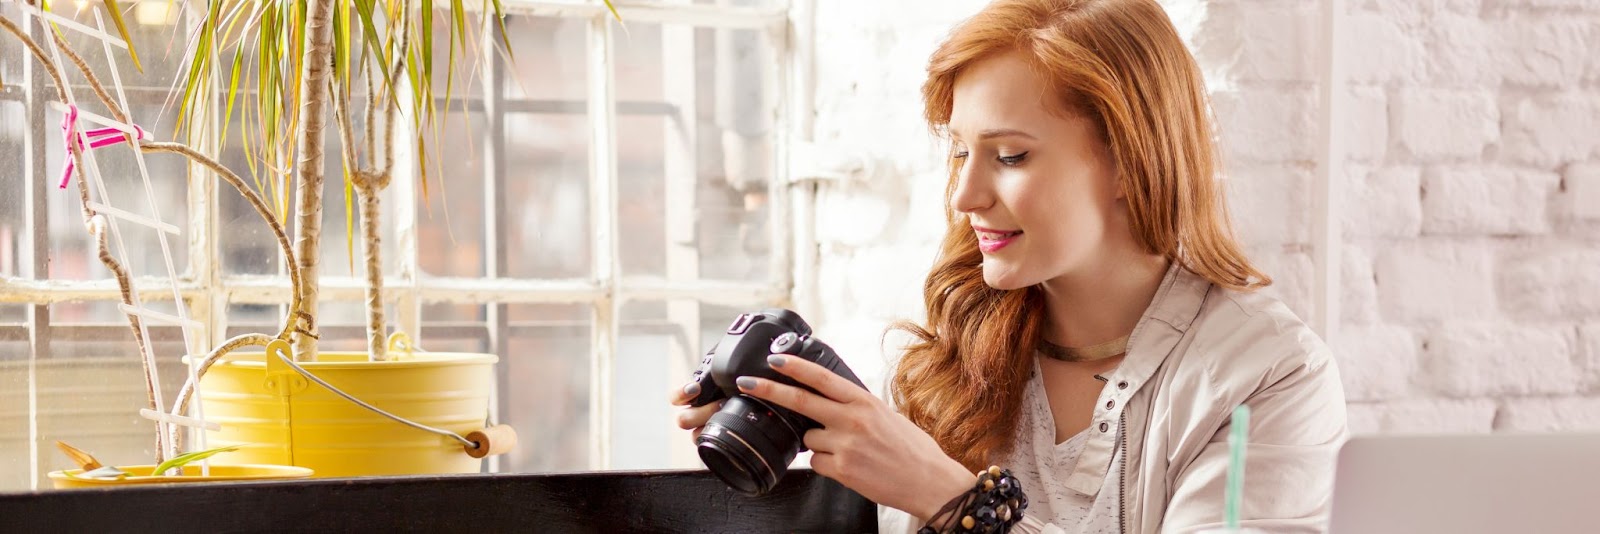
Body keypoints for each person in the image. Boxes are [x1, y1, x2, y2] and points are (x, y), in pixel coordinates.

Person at [671, 0, 1348, 532]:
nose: (965, 197)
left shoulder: (1264, 376)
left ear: (1128, 159)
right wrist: (786, 454)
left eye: (1011, 155)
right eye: (961, 151)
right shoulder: (954, 357)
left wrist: (957, 502)